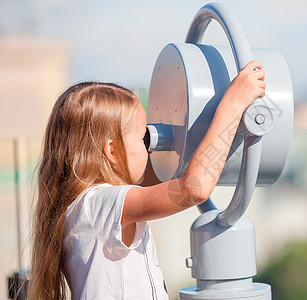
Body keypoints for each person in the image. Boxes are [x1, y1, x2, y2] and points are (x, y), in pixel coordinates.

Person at [28, 61, 266, 299]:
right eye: (144, 139)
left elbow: (166, 174)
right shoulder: (99, 204)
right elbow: (193, 188)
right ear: (113, 152)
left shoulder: (87, 208)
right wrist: (232, 107)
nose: (151, 148)